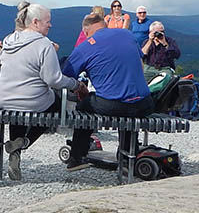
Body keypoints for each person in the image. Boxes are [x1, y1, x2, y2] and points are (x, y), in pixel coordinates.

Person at [0, 2, 84, 181]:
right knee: (58, 106)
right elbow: (54, 80)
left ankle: (15, 151)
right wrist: (75, 84)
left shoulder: (9, 39)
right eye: (47, 22)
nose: (50, 25)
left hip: (4, 100)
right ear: (35, 22)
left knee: (18, 109)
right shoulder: (43, 44)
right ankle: (25, 142)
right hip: (32, 101)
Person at [61, 13, 153, 171]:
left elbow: (67, 75)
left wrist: (81, 87)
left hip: (114, 105)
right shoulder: (127, 34)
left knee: (85, 106)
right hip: (144, 103)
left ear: (85, 31)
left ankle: (77, 156)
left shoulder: (85, 46)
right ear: (104, 24)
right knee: (129, 105)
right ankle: (126, 157)